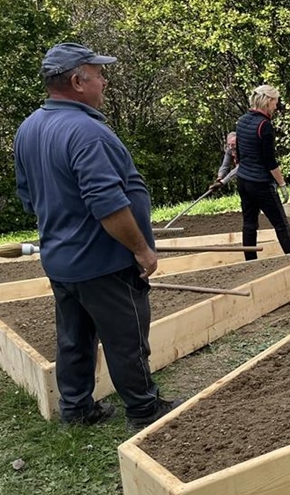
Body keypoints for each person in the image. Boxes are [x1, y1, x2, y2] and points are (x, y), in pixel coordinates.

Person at [13, 42, 182, 431]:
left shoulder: (30, 127)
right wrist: (141, 249)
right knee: (126, 337)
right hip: (104, 261)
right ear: (77, 81)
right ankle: (143, 408)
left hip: (61, 259)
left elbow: (29, 197)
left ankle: (76, 409)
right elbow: (109, 205)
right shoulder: (86, 132)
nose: (104, 81)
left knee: (74, 337)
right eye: (98, 74)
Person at [235, 84, 290, 261]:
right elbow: (270, 162)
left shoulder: (242, 121)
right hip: (260, 183)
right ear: (268, 101)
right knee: (281, 224)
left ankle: (250, 261)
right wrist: (282, 184)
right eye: (275, 102)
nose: (276, 106)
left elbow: (239, 154)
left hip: (243, 181)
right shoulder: (264, 126)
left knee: (249, 223)